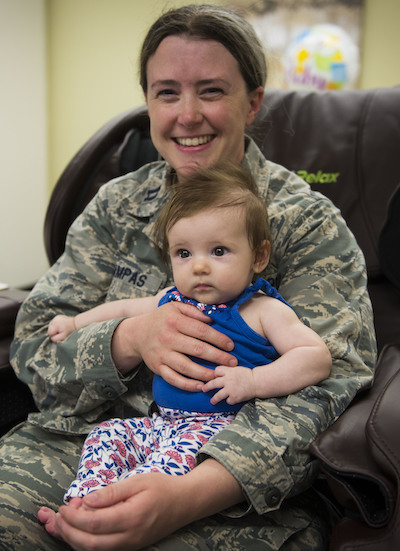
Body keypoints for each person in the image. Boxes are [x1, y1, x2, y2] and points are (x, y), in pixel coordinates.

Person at [1, 4, 376, 551]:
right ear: (149, 103)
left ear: (252, 104)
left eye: (212, 91)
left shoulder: (302, 222)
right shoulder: (115, 207)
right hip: (82, 445)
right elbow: (34, 349)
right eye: (167, 92)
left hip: (225, 474)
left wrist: (188, 494)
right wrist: (128, 338)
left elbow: (335, 386)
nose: (187, 115)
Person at [44, 163, 331, 510]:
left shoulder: (262, 310)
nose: (198, 266)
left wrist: (255, 380)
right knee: (108, 434)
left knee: (157, 475)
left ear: (258, 256)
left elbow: (316, 356)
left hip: (216, 433)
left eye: (219, 251)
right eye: (184, 253)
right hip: (161, 423)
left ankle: (114, 512)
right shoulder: (171, 299)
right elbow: (122, 309)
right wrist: (76, 324)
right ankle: (84, 502)